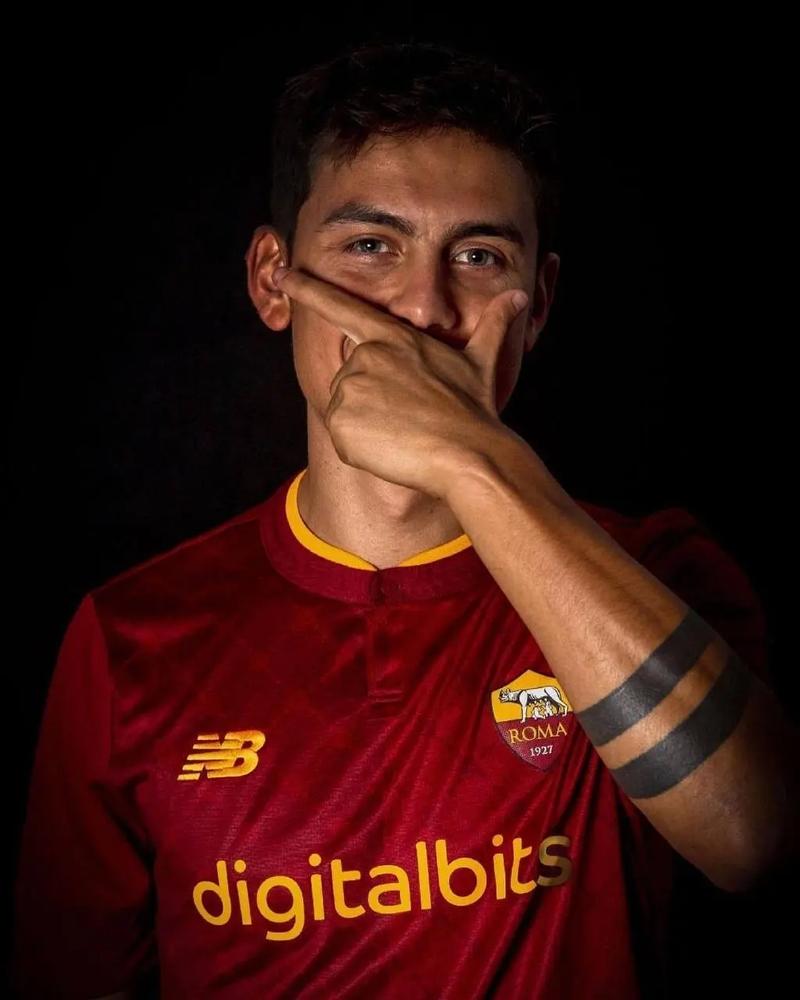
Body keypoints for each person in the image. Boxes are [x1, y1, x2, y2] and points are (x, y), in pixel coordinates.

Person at [12, 38, 798, 999]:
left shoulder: (657, 571)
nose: (423, 310)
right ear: (272, 279)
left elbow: (754, 837)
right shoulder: (129, 638)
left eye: (477, 256)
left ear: (539, 305)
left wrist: (471, 458)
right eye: (370, 246)